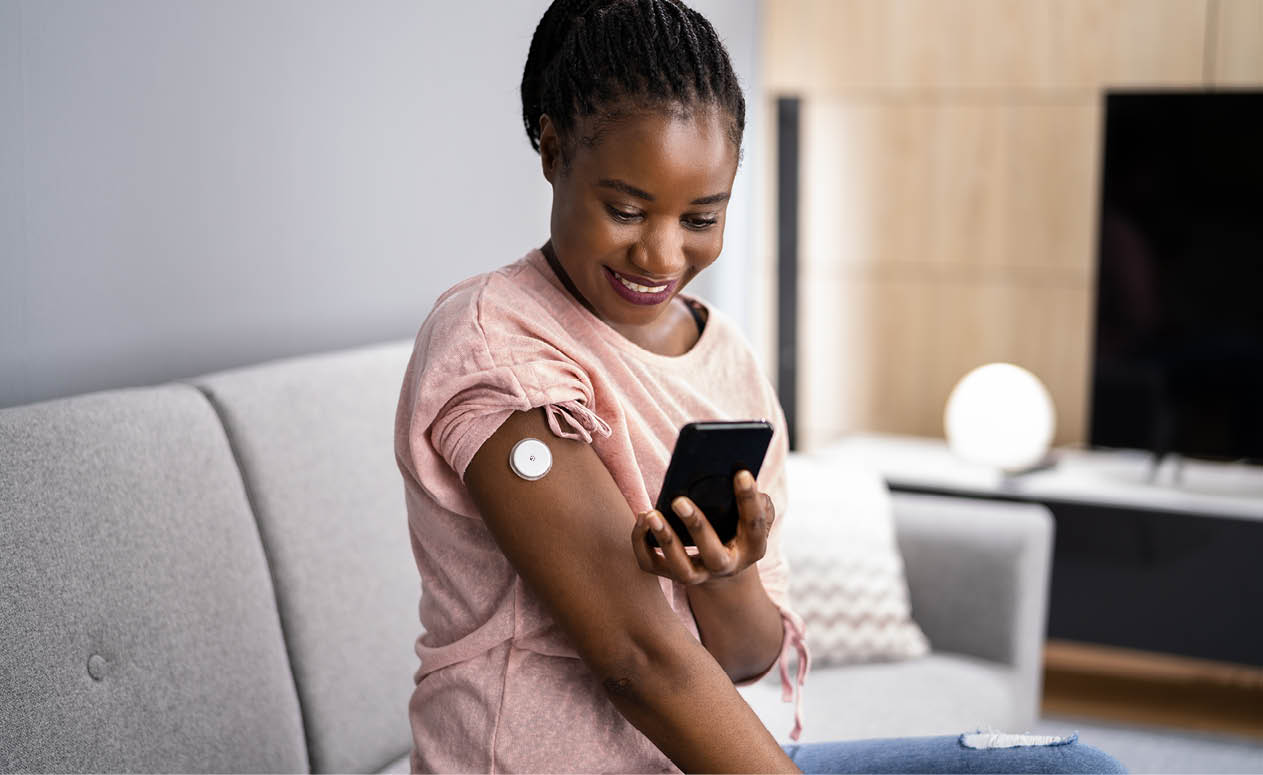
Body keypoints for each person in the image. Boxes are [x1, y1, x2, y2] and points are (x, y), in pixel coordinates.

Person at [393, 1, 1129, 772]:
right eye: (626, 210)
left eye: (699, 218)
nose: (661, 255)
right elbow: (638, 658)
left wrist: (726, 571)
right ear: (551, 151)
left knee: (1070, 768)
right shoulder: (495, 341)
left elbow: (746, 658)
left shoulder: (727, 360)